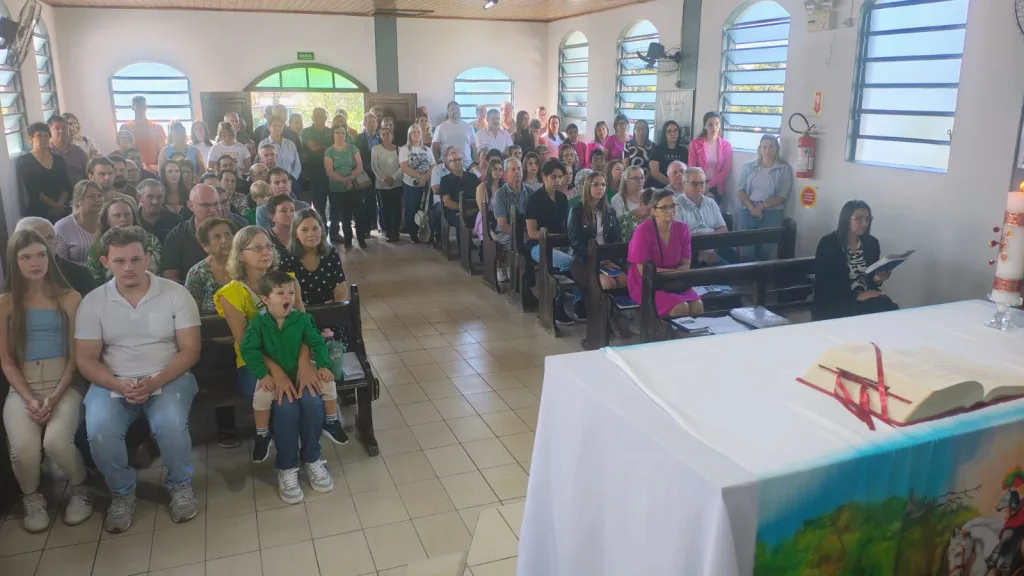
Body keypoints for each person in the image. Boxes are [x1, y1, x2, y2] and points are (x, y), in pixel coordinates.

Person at [77, 225, 201, 532]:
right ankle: (122, 493)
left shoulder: (175, 293)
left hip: (168, 376)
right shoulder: (93, 301)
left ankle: (180, 485)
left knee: (170, 424)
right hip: (114, 380)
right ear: (105, 262)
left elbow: (190, 350)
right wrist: (117, 384)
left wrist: (156, 381)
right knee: (100, 430)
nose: (128, 267)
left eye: (135, 259)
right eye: (119, 261)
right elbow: (86, 358)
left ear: (148, 258)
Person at [214, 227, 329, 500]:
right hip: (256, 364)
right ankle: (287, 467)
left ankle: (312, 458)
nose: (265, 252)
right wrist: (275, 371)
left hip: (294, 357)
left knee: (312, 398)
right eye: (257, 247)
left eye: (268, 246)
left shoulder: (288, 281)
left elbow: (305, 327)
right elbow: (246, 343)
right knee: (285, 403)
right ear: (240, 255)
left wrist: (305, 363)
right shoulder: (231, 294)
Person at [1, 230, 92, 533]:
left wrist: (53, 397)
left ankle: (80, 489)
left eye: (41, 255)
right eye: (26, 257)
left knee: (55, 442)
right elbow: (6, 361)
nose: (35, 262)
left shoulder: (70, 297)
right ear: (14, 261)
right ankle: (32, 497)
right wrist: (29, 398)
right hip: (23, 386)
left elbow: (76, 358)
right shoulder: (5, 303)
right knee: (23, 449)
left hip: (64, 383)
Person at [240, 270, 343, 479]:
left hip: (301, 371)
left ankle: (332, 422)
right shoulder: (258, 324)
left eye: (291, 293)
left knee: (328, 385)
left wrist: (323, 366)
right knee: (261, 396)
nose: (288, 297)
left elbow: (316, 342)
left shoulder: (302, 319)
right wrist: (263, 374)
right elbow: (249, 350)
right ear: (265, 299)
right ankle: (262, 435)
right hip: (274, 375)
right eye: (280, 293)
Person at [812, 201, 899, 321]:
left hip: (865, 296)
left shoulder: (871, 243)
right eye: (858, 219)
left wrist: (877, 278)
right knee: (880, 307)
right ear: (846, 219)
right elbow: (825, 283)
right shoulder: (829, 243)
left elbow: (869, 278)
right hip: (836, 300)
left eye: (867, 219)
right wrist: (856, 296)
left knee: (887, 305)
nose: (864, 223)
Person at [628, 189, 703, 318]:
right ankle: (663, 330)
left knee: (698, 306)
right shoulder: (642, 231)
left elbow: (686, 262)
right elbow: (643, 270)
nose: (670, 210)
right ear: (653, 211)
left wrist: (674, 275)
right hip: (647, 283)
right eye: (664, 208)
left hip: (676, 282)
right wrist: (673, 274)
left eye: (673, 206)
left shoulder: (682, 229)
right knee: (680, 308)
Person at [568, 171, 626, 322]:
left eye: (603, 185)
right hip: (583, 261)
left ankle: (613, 316)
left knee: (624, 280)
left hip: (607, 260)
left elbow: (616, 239)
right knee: (607, 283)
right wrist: (599, 260)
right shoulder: (576, 211)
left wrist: (610, 259)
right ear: (588, 187)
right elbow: (576, 243)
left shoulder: (609, 211)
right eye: (596, 185)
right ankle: (600, 319)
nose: (600, 188)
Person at [525, 159, 578, 325]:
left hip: (560, 242)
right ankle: (556, 306)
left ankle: (580, 303)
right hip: (538, 245)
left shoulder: (562, 198)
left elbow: (566, 226)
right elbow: (532, 233)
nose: (558, 180)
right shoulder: (534, 199)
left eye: (560, 177)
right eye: (553, 177)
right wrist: (554, 237)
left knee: (582, 257)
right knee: (567, 262)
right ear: (544, 177)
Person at [736, 135, 794, 261]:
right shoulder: (749, 166)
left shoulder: (784, 169)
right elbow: (740, 190)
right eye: (764, 147)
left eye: (771, 147)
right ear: (760, 149)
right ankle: (745, 272)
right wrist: (752, 208)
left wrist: (761, 207)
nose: (767, 151)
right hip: (748, 209)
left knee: (765, 250)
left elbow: (782, 195)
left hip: (772, 211)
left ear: (776, 149)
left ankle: (761, 272)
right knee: (746, 249)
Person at [281, 209, 350, 306]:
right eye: (304, 230)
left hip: (329, 307)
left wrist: (335, 306)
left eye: (315, 228)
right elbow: (284, 291)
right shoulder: (286, 256)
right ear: (296, 234)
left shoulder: (330, 252)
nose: (311, 234)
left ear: (321, 230)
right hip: (298, 310)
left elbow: (341, 285)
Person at [16, 217, 97, 298]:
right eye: (37, 239)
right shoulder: (13, 276)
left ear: (57, 240)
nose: (45, 243)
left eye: (49, 238)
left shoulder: (80, 275)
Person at [85, 198, 163, 283]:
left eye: (127, 214)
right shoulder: (97, 248)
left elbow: (160, 272)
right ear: (107, 220)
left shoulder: (151, 240)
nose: (124, 219)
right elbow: (94, 282)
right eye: (117, 215)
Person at [673, 165, 735, 266]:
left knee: (735, 257)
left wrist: (704, 236)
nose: (699, 186)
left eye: (702, 183)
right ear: (684, 186)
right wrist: (702, 252)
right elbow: (681, 238)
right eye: (694, 183)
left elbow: (723, 229)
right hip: (691, 253)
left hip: (716, 247)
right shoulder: (676, 206)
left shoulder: (711, 202)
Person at [162, 184, 226, 281]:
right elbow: (171, 279)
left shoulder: (235, 230)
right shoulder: (177, 236)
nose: (213, 210)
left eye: (216, 204)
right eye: (206, 205)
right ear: (190, 206)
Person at [18, 122, 72, 222]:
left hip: (62, 208)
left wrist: (60, 205)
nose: (44, 138)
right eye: (39, 136)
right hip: (39, 210)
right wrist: (54, 206)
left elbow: (66, 184)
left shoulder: (58, 159)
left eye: (46, 135)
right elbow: (33, 190)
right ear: (30, 139)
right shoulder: (25, 161)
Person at [185, 217, 238, 314]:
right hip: (210, 323)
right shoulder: (197, 272)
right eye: (217, 237)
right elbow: (190, 312)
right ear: (205, 246)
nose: (224, 241)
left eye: (228, 234)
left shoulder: (246, 264)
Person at [325, 124, 366, 247]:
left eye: (343, 133)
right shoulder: (329, 151)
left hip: (354, 186)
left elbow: (359, 166)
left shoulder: (353, 148)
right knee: (344, 216)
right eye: (337, 133)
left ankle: (361, 239)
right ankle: (348, 240)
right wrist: (343, 180)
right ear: (333, 134)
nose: (340, 135)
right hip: (337, 189)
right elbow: (329, 171)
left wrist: (350, 178)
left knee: (359, 214)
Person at [492, 157, 528, 282]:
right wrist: (520, 235)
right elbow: (502, 224)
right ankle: (509, 266)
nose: (517, 172)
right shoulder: (500, 194)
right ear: (506, 173)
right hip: (505, 232)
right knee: (520, 242)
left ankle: (525, 272)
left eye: (519, 169)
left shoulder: (529, 192)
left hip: (525, 231)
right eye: (513, 169)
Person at [399, 124, 435, 243]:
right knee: (412, 209)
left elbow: (433, 165)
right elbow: (404, 166)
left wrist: (425, 177)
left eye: (418, 132)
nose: (416, 134)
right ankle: (413, 234)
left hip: (426, 184)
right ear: (409, 135)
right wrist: (419, 176)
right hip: (411, 184)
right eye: (413, 132)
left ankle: (426, 233)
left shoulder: (427, 149)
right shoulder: (405, 149)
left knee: (426, 209)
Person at [439, 148, 481, 251]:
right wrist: (463, 210)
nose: (458, 162)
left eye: (459, 159)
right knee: (460, 220)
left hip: (474, 209)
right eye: (454, 160)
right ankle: (464, 248)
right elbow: (447, 202)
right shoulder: (445, 180)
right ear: (449, 164)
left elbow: (481, 194)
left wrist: (476, 209)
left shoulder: (472, 177)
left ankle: (486, 248)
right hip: (454, 211)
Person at [55, 181, 104, 264]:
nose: (97, 200)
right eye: (91, 196)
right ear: (78, 200)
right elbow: (60, 262)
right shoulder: (63, 227)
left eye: (100, 196)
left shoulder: (108, 221)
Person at [689, 112, 732, 204]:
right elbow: (692, 168)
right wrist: (701, 184)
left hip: (716, 185)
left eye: (717, 124)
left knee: (710, 208)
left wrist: (709, 185)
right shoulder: (695, 144)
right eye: (710, 124)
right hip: (697, 183)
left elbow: (725, 170)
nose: (714, 127)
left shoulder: (726, 146)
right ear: (705, 126)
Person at [372, 125, 405, 242]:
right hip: (382, 185)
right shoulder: (376, 149)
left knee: (396, 209)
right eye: (383, 134)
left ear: (392, 135)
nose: (386, 136)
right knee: (385, 209)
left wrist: (393, 178)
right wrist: (385, 179)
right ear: (380, 136)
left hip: (396, 183)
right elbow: (375, 167)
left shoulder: (399, 149)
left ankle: (396, 232)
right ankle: (388, 232)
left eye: (388, 134)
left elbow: (402, 166)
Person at [300, 107, 333, 218]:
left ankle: (334, 228)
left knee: (334, 204)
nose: (318, 118)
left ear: (326, 118)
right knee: (319, 205)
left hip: (331, 172)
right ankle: (321, 227)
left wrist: (323, 149)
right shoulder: (306, 132)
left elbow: (337, 149)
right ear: (312, 118)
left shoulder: (331, 132)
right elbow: (314, 147)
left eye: (321, 116)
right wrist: (330, 150)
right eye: (316, 116)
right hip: (314, 173)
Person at [121, 96, 167, 169]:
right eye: (138, 105)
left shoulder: (157, 127)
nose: (141, 108)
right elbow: (123, 150)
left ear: (146, 107)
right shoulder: (126, 127)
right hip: (132, 169)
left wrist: (158, 167)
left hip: (153, 169)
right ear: (133, 107)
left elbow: (163, 151)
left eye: (143, 105)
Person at [354, 113, 381, 235]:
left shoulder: (380, 137)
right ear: (365, 124)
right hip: (365, 172)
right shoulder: (360, 138)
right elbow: (357, 156)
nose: (372, 124)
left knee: (378, 200)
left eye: (374, 122)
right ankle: (366, 227)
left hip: (379, 173)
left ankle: (376, 224)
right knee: (367, 199)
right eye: (370, 122)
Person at [260, 116, 302, 195]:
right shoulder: (263, 144)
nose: (278, 128)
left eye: (280, 126)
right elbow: (262, 164)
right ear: (269, 127)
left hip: (291, 180)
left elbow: (297, 163)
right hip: (273, 183)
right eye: (275, 126)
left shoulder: (290, 144)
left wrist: (292, 178)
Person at [432, 101, 476, 172]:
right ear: (448, 112)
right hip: (447, 167)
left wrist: (475, 162)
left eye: (457, 109)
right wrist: (438, 163)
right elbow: (434, 147)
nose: (455, 111)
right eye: (452, 109)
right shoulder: (441, 127)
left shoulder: (468, 127)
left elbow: (474, 146)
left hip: (467, 166)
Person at [137, 179, 181, 245]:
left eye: (159, 197)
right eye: (150, 197)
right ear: (139, 198)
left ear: (164, 198)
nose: (155, 201)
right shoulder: (132, 221)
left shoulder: (176, 221)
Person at [49, 115, 89, 185]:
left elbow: (88, 176)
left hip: (77, 190)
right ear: (49, 130)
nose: (61, 131)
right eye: (57, 128)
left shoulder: (79, 152)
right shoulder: (45, 152)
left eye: (64, 128)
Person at [648, 120, 688, 188]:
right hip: (659, 187)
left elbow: (686, 171)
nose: (673, 133)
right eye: (669, 131)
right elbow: (655, 173)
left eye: (675, 130)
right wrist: (671, 184)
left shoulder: (683, 150)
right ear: (665, 134)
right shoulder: (657, 149)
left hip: (679, 187)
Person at [266, 194, 297, 265]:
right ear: (272, 217)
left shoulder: (301, 236)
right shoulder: (266, 238)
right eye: (284, 211)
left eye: (292, 210)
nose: (290, 214)